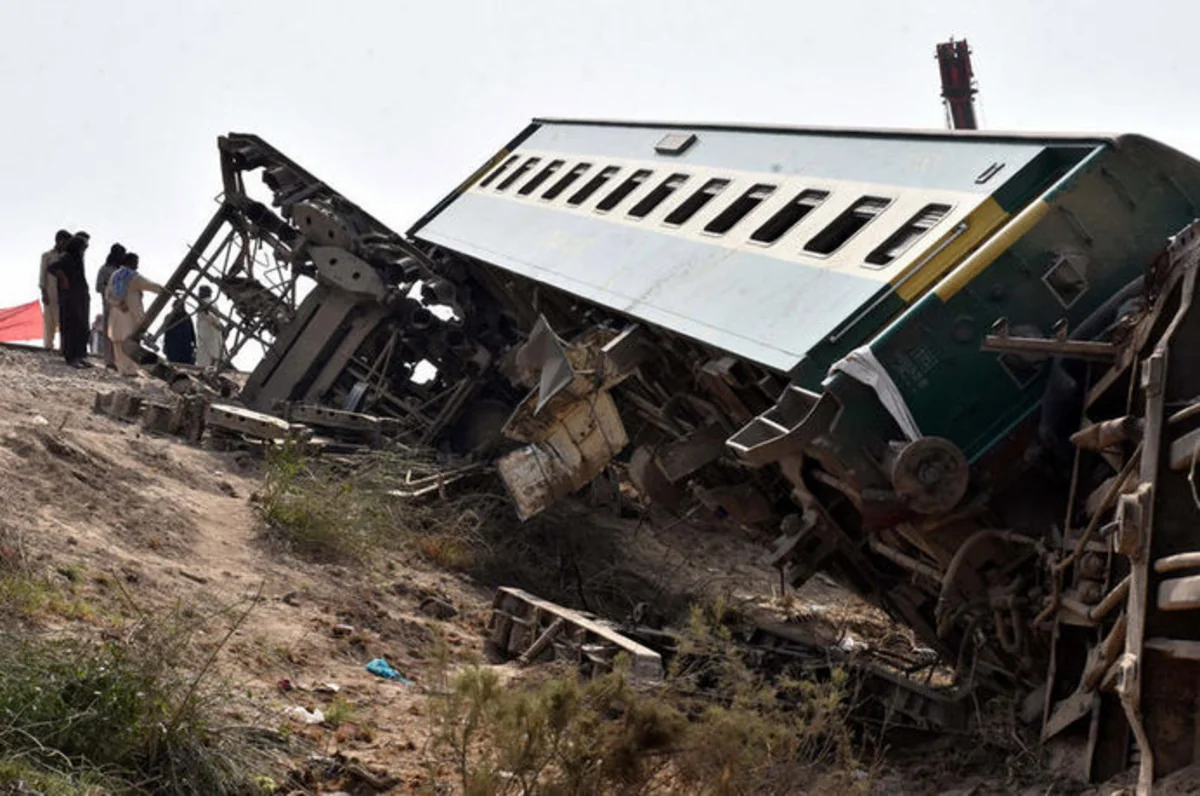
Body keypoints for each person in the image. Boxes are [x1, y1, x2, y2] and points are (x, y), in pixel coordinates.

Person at [105, 252, 165, 377]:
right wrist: (167, 290)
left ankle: (122, 369)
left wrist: (117, 303)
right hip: (129, 314)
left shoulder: (114, 276)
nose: (137, 266)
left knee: (118, 342)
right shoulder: (133, 277)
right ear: (130, 262)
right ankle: (130, 370)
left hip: (116, 313)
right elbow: (151, 286)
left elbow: (108, 295)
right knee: (130, 341)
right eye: (136, 262)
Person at [47, 232, 92, 368]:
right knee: (72, 328)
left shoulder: (77, 259)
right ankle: (71, 357)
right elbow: (52, 267)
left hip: (80, 298)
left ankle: (81, 356)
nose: (84, 250)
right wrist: (63, 278)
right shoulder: (66, 257)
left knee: (83, 328)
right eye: (83, 247)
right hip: (70, 300)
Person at [94, 243, 126, 369]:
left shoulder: (123, 271)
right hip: (110, 305)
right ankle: (109, 360)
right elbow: (98, 287)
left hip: (122, 306)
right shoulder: (104, 269)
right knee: (110, 333)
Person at [38, 230, 71, 350]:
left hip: (63, 294)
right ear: (59, 241)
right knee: (48, 321)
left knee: (63, 321)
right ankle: (48, 345)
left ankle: (64, 347)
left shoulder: (67, 257)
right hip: (50, 292)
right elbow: (42, 275)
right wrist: (43, 292)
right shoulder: (47, 256)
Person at [195, 285, 225, 369]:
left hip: (209, 331)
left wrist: (219, 325)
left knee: (209, 352)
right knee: (209, 351)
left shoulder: (207, 303)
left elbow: (212, 317)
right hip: (207, 332)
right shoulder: (206, 302)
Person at [161, 298, 196, 365]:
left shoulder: (186, 317)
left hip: (185, 348)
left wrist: (194, 345)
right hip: (173, 348)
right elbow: (166, 333)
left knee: (188, 366)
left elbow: (192, 331)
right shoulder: (169, 317)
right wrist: (165, 346)